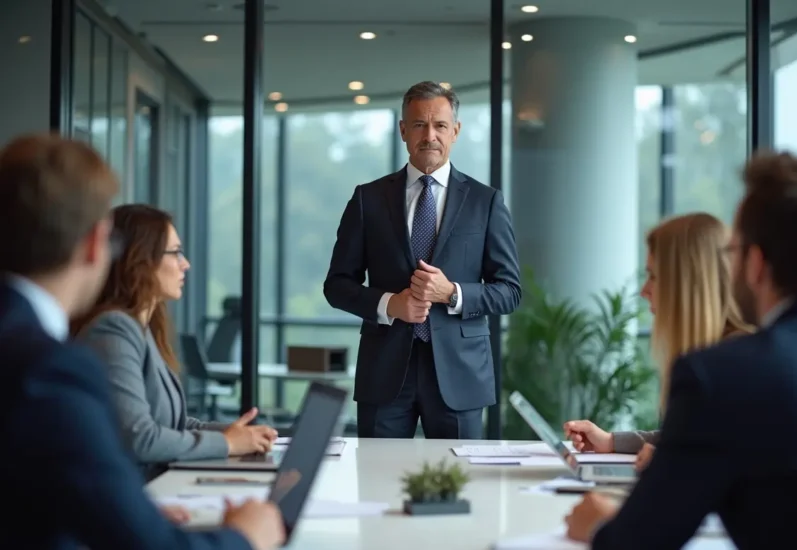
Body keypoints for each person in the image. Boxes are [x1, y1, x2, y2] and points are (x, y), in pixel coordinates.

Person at [0, 133, 284, 550]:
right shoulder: (52, 367)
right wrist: (245, 536)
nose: (184, 264)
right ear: (99, 245)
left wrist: (125, 510)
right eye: (174, 253)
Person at [565, 151, 797, 548]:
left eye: (733, 252)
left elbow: (639, 541)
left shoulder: (726, 375)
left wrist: (597, 527)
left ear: (755, 263)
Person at [324, 81, 521, 439]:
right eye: (419, 124)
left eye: (440, 126)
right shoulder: (368, 199)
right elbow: (337, 285)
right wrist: (390, 304)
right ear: (403, 130)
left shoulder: (485, 202)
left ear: (455, 131)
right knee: (377, 485)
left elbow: (509, 291)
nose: (430, 135)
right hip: (384, 375)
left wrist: (452, 293)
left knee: (460, 485)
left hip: (460, 376)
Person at [72, 204, 277, 480]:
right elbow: (139, 437)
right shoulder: (113, 330)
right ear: (141, 259)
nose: (186, 263)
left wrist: (239, 434)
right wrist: (227, 443)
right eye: (176, 252)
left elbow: (173, 424)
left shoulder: (141, 329)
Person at [564, 213, 752, 471]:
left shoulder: (736, 364)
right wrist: (610, 441)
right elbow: (686, 439)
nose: (644, 291)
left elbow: (740, 463)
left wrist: (676, 463)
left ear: (685, 283)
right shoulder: (711, 351)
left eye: (653, 276)